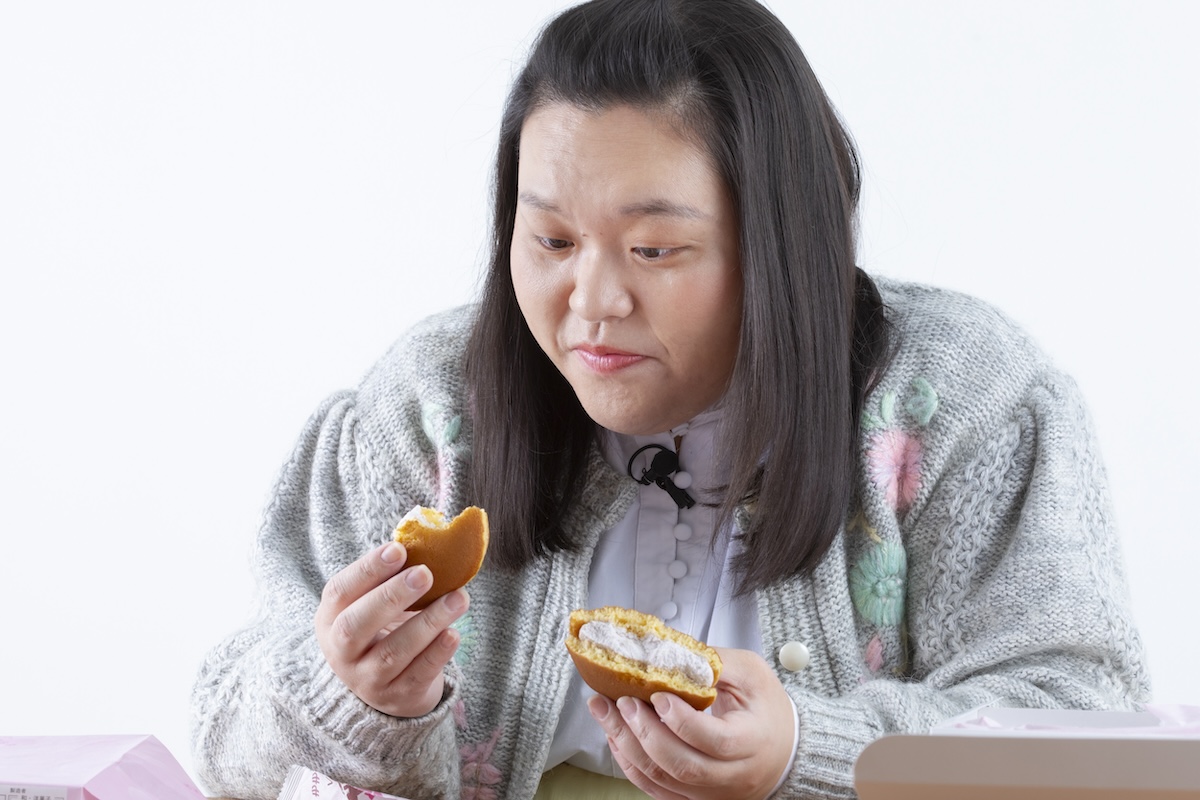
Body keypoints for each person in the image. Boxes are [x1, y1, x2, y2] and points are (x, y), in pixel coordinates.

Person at [189, 0, 1149, 797]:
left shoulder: (959, 403)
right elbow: (224, 729)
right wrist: (346, 695)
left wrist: (807, 753)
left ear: (781, 246)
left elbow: (1083, 735)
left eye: (655, 249)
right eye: (553, 242)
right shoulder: (432, 406)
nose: (592, 304)